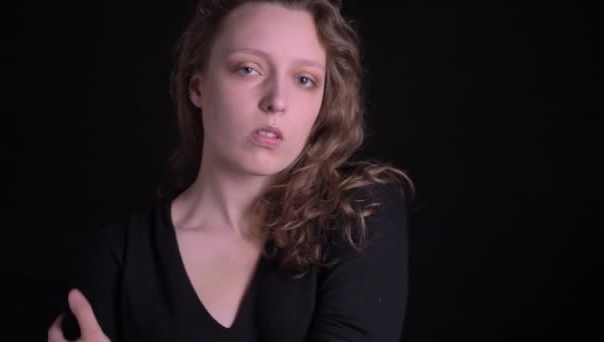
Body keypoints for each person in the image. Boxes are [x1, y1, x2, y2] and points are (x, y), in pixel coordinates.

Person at [47, 0, 414, 341]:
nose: (277, 102)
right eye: (249, 69)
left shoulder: (358, 215)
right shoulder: (121, 256)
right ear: (198, 87)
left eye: (305, 79)